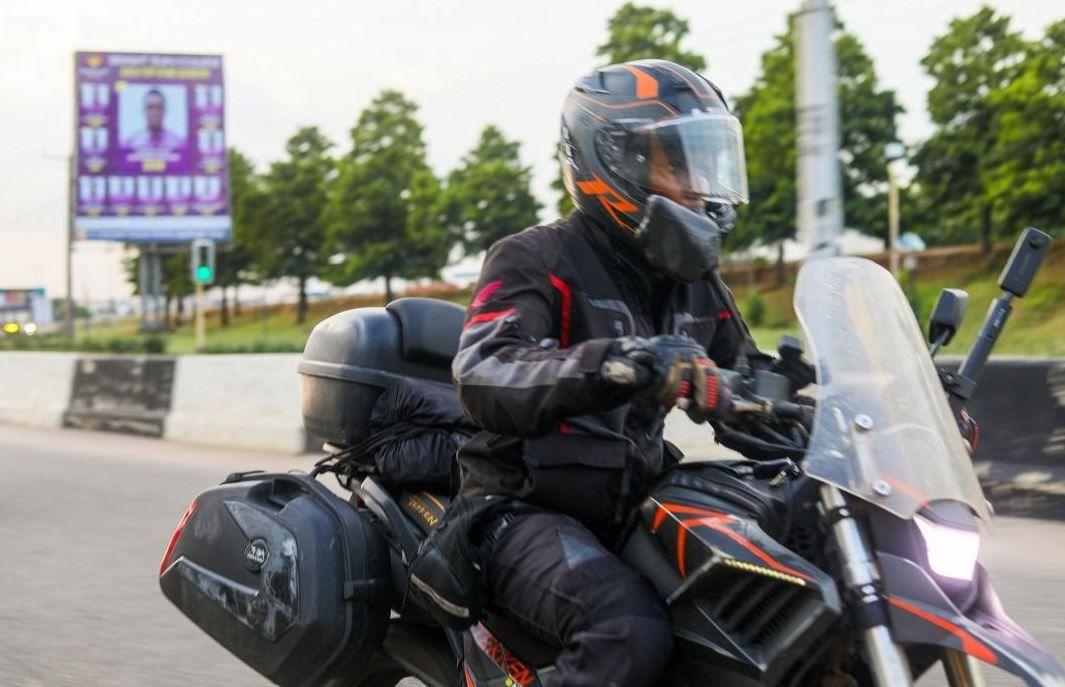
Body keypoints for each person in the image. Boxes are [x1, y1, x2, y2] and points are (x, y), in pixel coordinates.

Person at [452, 59, 758, 686]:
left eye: (710, 163)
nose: (702, 188)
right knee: (626, 630)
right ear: (614, 160)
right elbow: (486, 370)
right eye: (681, 163)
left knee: (755, 594)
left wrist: (886, 408)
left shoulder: (696, 285)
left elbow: (753, 384)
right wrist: (620, 365)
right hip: (518, 510)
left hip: (631, 505)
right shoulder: (537, 259)